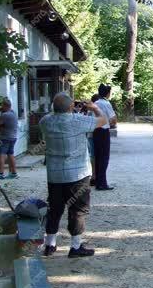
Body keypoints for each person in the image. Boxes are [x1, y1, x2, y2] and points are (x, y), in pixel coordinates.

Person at [39, 92, 108, 258]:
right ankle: (75, 247)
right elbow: (104, 120)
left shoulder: (45, 121)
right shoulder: (78, 121)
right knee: (78, 210)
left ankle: (50, 244)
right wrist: (95, 108)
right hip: (78, 174)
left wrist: (61, 107)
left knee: (54, 209)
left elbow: (53, 114)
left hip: (54, 175)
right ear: (71, 107)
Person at [93, 84, 116, 191]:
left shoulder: (95, 103)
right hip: (103, 131)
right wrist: (109, 122)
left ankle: (98, 181)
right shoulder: (106, 103)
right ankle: (102, 183)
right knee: (104, 157)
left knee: (97, 156)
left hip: (95, 131)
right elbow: (113, 119)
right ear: (107, 93)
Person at [0, 98, 18, 179]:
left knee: (1, 155)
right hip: (13, 137)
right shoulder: (13, 113)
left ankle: (1, 173)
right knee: (11, 155)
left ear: (4, 106)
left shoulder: (5, 115)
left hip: (4, 138)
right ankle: (14, 173)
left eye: (2, 105)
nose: (1, 107)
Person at [88, 94, 100, 186]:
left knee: (93, 156)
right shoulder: (96, 110)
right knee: (97, 156)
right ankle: (96, 176)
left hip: (90, 135)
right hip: (96, 135)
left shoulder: (90, 110)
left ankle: (93, 175)